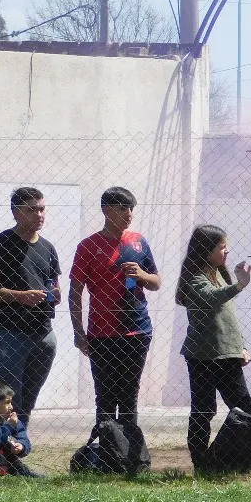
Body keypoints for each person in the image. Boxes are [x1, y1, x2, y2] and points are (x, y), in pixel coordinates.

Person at [69, 187, 160, 439]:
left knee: (129, 394)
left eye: (131, 208)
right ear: (106, 210)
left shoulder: (138, 241)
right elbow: (74, 293)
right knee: (106, 396)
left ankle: (129, 454)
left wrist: (140, 275)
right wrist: (78, 332)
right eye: (122, 208)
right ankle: (105, 452)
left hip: (136, 330)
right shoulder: (88, 246)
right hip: (102, 333)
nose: (129, 214)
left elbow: (156, 282)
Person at [0, 187, 61, 428]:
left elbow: (55, 285)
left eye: (42, 209)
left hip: (43, 334)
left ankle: (17, 445)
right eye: (31, 210)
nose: (39, 215)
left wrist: (54, 295)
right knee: (8, 399)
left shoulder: (48, 248)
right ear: (16, 213)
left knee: (28, 402)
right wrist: (21, 296)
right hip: (9, 334)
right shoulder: (0, 245)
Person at [176, 225, 251, 472]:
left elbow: (227, 319)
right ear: (206, 252)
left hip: (226, 354)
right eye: (221, 247)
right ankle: (201, 462)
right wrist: (239, 286)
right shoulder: (195, 278)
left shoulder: (217, 273)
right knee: (203, 409)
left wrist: (239, 346)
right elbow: (211, 298)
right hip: (204, 357)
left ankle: (236, 461)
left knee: (243, 408)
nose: (226, 251)